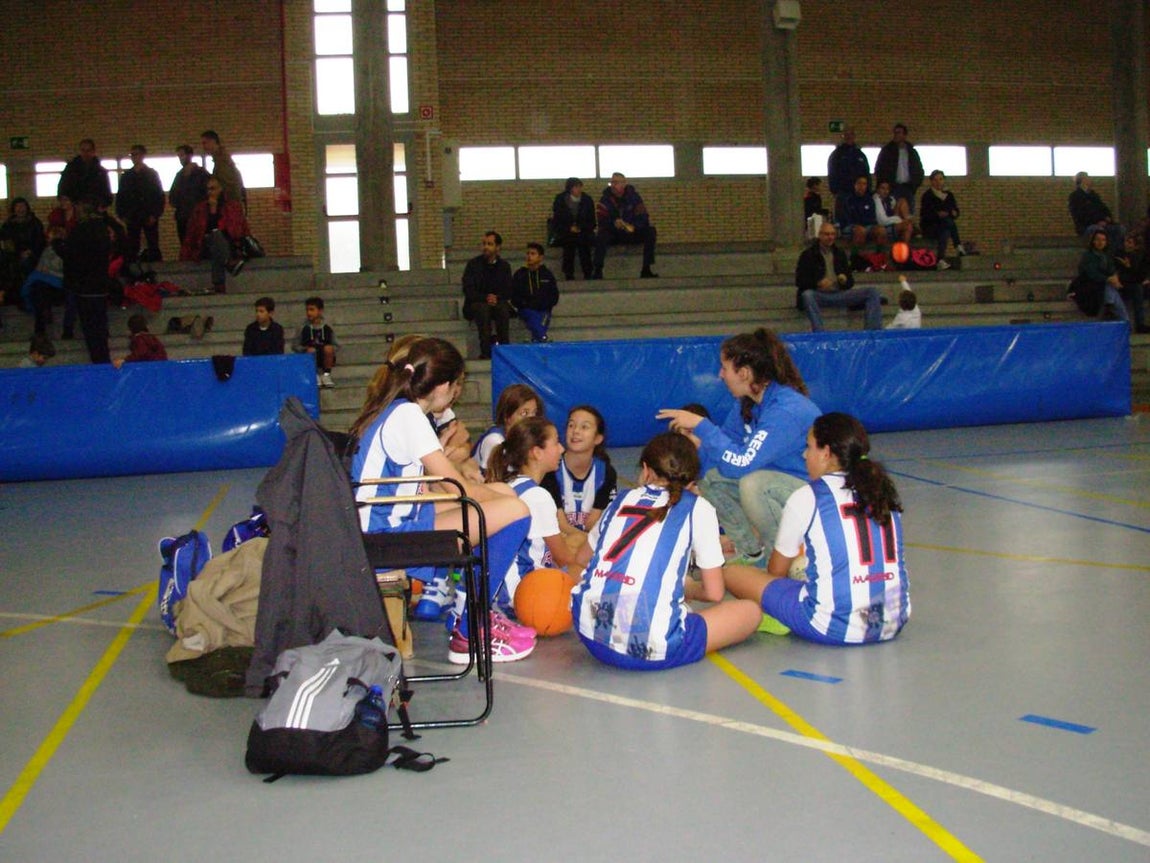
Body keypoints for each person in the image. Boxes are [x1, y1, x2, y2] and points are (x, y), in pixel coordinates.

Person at [348, 336, 535, 664]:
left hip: (381, 525)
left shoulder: (393, 408)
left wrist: (499, 494)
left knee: (505, 499)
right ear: (444, 385)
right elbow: (458, 488)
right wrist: (502, 496)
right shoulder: (409, 416)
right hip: (384, 540)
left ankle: (467, 608)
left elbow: (432, 487)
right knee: (516, 511)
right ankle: (470, 629)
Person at [570, 432, 761, 671]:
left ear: (646, 470)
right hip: (649, 648)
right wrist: (689, 587)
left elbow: (581, 558)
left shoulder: (622, 498)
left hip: (588, 632)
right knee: (750, 612)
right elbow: (714, 593)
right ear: (693, 478)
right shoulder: (698, 508)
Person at [723, 412, 911, 646]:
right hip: (892, 621)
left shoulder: (808, 496)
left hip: (831, 626)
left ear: (826, 453)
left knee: (731, 574)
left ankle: (780, 618)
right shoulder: (882, 491)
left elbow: (776, 572)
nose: (804, 455)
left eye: (809, 447)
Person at [657, 329, 821, 568]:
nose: (720, 375)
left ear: (744, 373)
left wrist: (702, 426)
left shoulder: (785, 411)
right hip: (780, 485)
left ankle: (784, 561)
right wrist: (688, 467)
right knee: (711, 478)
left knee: (754, 484)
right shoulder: (748, 404)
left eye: (725, 368)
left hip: (812, 493)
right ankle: (752, 552)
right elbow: (722, 454)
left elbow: (741, 464)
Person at [486, 416, 579, 607]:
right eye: (556, 443)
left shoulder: (509, 484)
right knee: (590, 576)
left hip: (495, 590)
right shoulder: (538, 496)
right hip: (520, 595)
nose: (562, 449)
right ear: (537, 452)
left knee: (576, 542)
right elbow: (564, 558)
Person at [542, 404, 618, 554]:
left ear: (598, 438)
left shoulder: (606, 473)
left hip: (584, 544)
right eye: (571, 425)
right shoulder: (551, 469)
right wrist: (594, 546)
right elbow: (560, 525)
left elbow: (593, 524)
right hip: (554, 543)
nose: (575, 431)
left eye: (584, 427)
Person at [794, 222, 883, 331]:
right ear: (820, 235)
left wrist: (844, 281)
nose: (830, 237)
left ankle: (873, 332)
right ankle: (819, 332)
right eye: (827, 234)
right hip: (819, 294)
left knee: (872, 292)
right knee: (807, 295)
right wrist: (817, 284)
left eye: (832, 234)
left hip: (839, 293)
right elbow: (800, 280)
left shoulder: (840, 253)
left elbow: (850, 282)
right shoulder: (808, 255)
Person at [62, 197, 113, 364]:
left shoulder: (79, 231)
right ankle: (103, 360)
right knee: (100, 327)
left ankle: (98, 361)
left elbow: (70, 257)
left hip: (84, 287)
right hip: (100, 285)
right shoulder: (103, 229)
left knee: (91, 329)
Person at [179, 176, 249, 293]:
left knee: (217, 245)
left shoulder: (231, 207)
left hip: (227, 244)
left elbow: (240, 227)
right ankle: (228, 264)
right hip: (206, 245)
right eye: (208, 189)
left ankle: (219, 284)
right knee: (215, 236)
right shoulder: (200, 209)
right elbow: (192, 232)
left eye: (213, 189)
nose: (210, 192)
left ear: (220, 189)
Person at [593, 172, 658, 279]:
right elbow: (602, 220)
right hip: (614, 233)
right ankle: (598, 270)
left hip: (631, 232)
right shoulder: (604, 200)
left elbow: (643, 217)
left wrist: (634, 226)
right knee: (601, 236)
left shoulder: (635, 198)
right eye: (612, 182)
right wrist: (614, 224)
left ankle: (646, 268)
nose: (613, 185)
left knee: (650, 231)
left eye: (616, 182)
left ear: (624, 184)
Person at [461, 231, 514, 359]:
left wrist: (497, 298)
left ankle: (504, 351)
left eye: (489, 244)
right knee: (482, 310)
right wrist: (485, 298)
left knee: (503, 310)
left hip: (497, 301)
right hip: (476, 302)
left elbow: (508, 290)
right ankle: (486, 352)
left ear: (498, 247)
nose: (485, 247)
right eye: (484, 244)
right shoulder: (473, 265)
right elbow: (468, 289)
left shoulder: (504, 266)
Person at [472, 382, 543, 475]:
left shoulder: (528, 439)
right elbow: (491, 480)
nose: (531, 419)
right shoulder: (495, 440)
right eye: (524, 413)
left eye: (534, 413)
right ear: (507, 416)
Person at [114, 145, 165, 262]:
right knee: (132, 244)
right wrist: (122, 214)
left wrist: (155, 214)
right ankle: (133, 266)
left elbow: (159, 195)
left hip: (148, 214)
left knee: (152, 243)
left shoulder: (152, 174)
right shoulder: (126, 176)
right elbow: (121, 196)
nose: (133, 157)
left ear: (142, 155)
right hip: (132, 215)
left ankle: (156, 266)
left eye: (136, 154)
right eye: (132, 155)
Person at [1071, 227, 1128, 323]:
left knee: (1112, 289)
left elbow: (1111, 269)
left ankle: (1121, 317)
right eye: (1098, 240)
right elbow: (1092, 273)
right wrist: (1109, 279)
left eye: (1103, 240)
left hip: (1105, 284)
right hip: (1091, 285)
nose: (1100, 242)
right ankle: (1114, 310)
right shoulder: (1088, 256)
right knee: (1109, 288)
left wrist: (1115, 278)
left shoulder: (1106, 255)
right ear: (1093, 241)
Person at [1, 198, 46, 308]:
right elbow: (7, 243)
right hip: (14, 255)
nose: (20, 209)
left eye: (22, 206)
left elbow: (40, 241)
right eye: (17, 206)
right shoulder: (8, 225)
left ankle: (29, 297)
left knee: (27, 265)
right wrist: (17, 254)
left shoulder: (35, 223)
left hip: (32, 254)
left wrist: (30, 251)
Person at [511, 242, 559, 343]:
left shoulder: (547, 275)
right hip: (526, 309)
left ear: (540, 257)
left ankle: (538, 339)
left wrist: (543, 305)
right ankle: (542, 338)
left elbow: (554, 296)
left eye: (533, 254)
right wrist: (526, 304)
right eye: (528, 253)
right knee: (532, 315)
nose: (529, 256)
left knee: (543, 317)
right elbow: (514, 296)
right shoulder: (520, 274)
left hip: (544, 310)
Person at [873, 123, 925, 215]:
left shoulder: (912, 152)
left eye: (899, 132)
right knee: (892, 212)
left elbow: (918, 169)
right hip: (893, 187)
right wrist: (885, 185)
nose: (896, 135)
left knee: (908, 213)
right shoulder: (887, 151)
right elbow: (879, 169)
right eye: (895, 132)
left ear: (904, 135)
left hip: (908, 188)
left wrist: (915, 184)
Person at [551, 177, 596, 280]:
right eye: (576, 187)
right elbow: (557, 219)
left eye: (580, 187)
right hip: (566, 231)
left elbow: (592, 220)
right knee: (568, 246)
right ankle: (569, 273)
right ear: (570, 188)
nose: (579, 189)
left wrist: (581, 228)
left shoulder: (587, 200)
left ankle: (588, 271)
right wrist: (568, 228)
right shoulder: (560, 200)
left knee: (584, 245)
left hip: (583, 231)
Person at [920, 170, 966, 269]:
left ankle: (940, 259)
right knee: (948, 222)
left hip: (944, 225)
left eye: (940, 179)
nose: (938, 182)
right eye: (935, 180)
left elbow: (955, 210)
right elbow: (925, 215)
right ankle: (957, 245)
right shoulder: (927, 196)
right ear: (931, 181)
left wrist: (954, 213)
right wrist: (938, 214)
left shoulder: (949, 195)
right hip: (931, 226)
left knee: (945, 230)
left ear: (944, 180)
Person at [1068, 172, 1123, 250]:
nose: (1090, 180)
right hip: (1086, 225)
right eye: (1087, 178)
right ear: (1082, 180)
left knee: (1119, 229)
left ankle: (1115, 252)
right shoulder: (1075, 196)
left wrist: (1107, 218)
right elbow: (1080, 215)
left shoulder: (1094, 195)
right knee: (1097, 230)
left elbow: (1103, 208)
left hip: (1101, 222)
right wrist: (1097, 221)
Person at [293, 295, 340, 387]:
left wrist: (326, 349)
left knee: (328, 349)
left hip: (324, 355)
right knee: (311, 351)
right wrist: (304, 349)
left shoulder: (327, 325)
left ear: (320, 311)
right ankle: (314, 375)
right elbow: (295, 345)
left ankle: (326, 375)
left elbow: (337, 345)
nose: (309, 313)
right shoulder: (302, 326)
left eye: (312, 310)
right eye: (307, 310)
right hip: (308, 356)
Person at [826, 127, 871, 220]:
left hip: (859, 194)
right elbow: (832, 173)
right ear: (842, 136)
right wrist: (835, 191)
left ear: (854, 136)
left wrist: (867, 190)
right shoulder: (836, 155)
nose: (849, 137)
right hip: (843, 194)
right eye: (846, 135)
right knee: (844, 219)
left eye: (851, 134)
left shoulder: (860, 155)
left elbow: (866, 173)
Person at [169, 144, 209, 243]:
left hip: (198, 217)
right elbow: (172, 197)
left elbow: (208, 194)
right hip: (183, 217)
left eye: (182, 155)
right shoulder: (179, 176)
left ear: (190, 155)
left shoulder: (202, 174)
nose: (180, 158)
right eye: (179, 156)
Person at [57, 139, 113, 209]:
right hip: (74, 209)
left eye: (88, 150)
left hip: (94, 209)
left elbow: (107, 194)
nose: (85, 153)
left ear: (93, 152)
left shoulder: (101, 172)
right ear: (79, 151)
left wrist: (102, 206)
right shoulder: (70, 171)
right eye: (83, 150)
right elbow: (62, 189)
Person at [1112, 233, 1150, 333]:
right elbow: (1119, 273)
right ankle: (1140, 324)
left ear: (1135, 245)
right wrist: (1127, 267)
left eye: (1129, 242)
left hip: (1135, 282)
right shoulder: (1118, 255)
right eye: (1126, 242)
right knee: (1137, 289)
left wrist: (1130, 267)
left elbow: (1140, 274)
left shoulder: (1140, 256)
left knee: (1140, 287)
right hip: (1123, 284)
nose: (1126, 244)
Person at [200, 130, 245, 206]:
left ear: (213, 141)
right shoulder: (220, 159)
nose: (203, 147)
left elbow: (227, 185)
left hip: (229, 205)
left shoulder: (222, 161)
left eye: (205, 143)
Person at [839, 175, 886, 247]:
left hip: (867, 225)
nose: (862, 186)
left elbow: (872, 217)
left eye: (864, 184)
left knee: (881, 230)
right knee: (860, 230)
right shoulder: (848, 200)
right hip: (850, 226)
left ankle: (879, 251)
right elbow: (847, 218)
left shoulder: (869, 200)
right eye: (859, 183)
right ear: (855, 185)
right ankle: (856, 252)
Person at [873, 179, 913, 244]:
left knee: (902, 201)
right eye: (883, 188)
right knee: (908, 226)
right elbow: (882, 221)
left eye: (887, 189)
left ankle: (904, 247)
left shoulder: (890, 199)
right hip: (881, 226)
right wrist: (899, 220)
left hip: (891, 223)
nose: (885, 191)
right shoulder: (876, 199)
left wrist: (902, 221)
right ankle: (904, 247)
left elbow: (895, 214)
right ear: (877, 190)